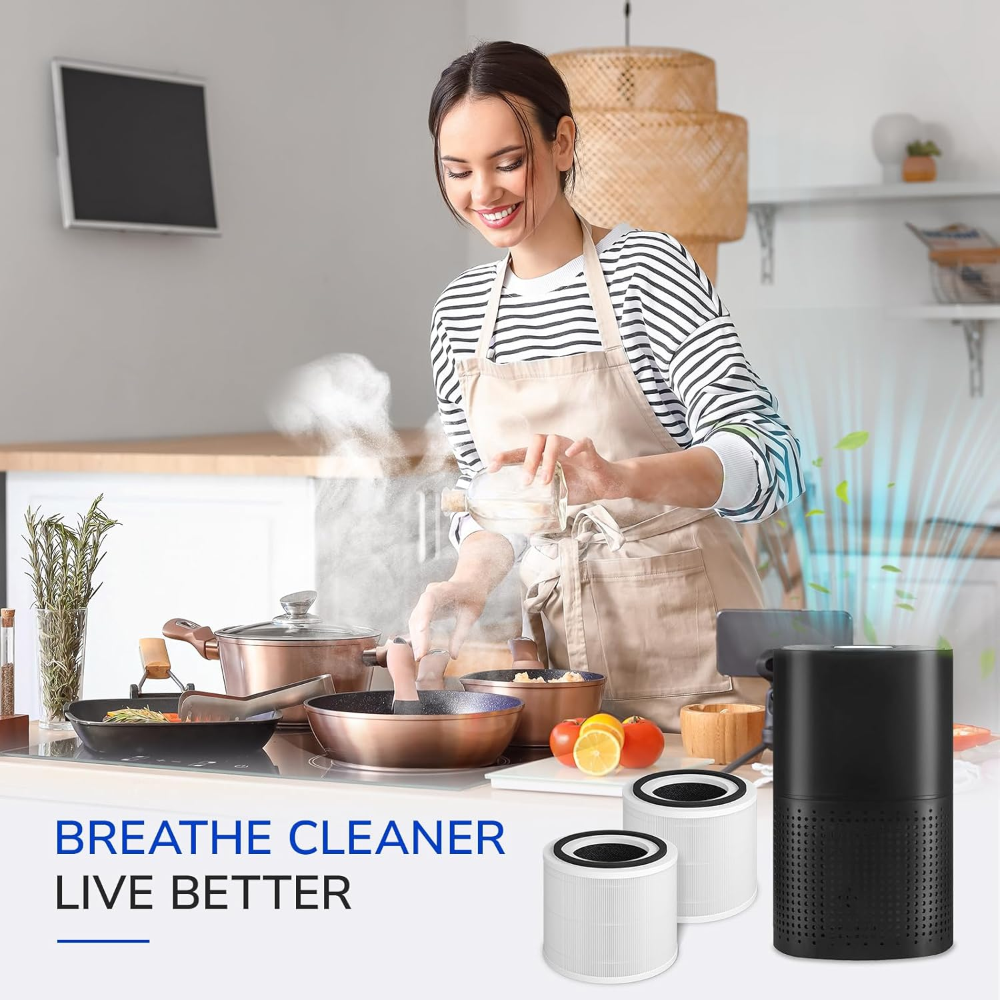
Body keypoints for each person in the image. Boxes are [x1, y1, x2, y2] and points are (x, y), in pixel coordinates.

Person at [408, 41, 804, 731]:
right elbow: (492, 503)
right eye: (458, 171)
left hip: (703, 663)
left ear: (563, 143)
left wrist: (619, 478)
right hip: (562, 679)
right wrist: (468, 583)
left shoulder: (649, 269)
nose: (484, 193)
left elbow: (770, 460)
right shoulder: (460, 313)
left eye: (508, 163)